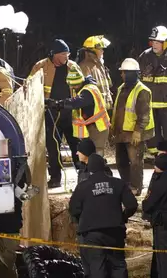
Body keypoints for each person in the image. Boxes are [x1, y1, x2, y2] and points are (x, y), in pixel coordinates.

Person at [69, 154, 137, 278]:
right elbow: (132, 205)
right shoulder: (118, 183)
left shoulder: (83, 186)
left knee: (97, 267)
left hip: (92, 234)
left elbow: (73, 210)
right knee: (118, 265)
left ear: (89, 169)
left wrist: (83, 220)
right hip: (115, 230)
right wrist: (122, 217)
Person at [30, 39, 84, 188]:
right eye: (63, 54)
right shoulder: (41, 67)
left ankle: (83, 175)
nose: (67, 57)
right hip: (50, 114)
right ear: (54, 54)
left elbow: (82, 87)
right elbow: (29, 87)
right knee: (53, 147)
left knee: (77, 146)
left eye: (68, 54)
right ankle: (55, 178)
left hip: (71, 114)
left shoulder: (73, 67)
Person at [112, 58, 155, 196]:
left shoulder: (142, 90)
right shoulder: (121, 88)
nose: (121, 75)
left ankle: (136, 187)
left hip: (133, 134)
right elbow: (117, 111)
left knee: (135, 162)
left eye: (123, 72)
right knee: (121, 161)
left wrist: (138, 132)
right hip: (121, 132)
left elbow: (144, 115)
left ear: (131, 73)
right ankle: (126, 185)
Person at [138, 26, 167, 157]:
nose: (154, 45)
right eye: (153, 42)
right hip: (150, 105)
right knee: (152, 133)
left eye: (158, 42)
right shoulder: (144, 56)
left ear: (165, 43)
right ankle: (155, 156)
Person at [47, 74, 111, 156]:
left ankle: (97, 168)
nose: (73, 87)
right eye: (72, 85)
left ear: (81, 81)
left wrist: (59, 104)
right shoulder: (82, 89)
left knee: (96, 154)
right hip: (91, 126)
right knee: (89, 154)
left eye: (75, 85)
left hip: (98, 127)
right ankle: (89, 168)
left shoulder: (88, 91)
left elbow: (76, 102)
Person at [78, 35, 114, 111]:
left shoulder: (100, 65)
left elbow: (108, 86)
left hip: (104, 109)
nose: (102, 51)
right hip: (94, 111)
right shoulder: (84, 66)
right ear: (92, 50)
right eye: (100, 49)